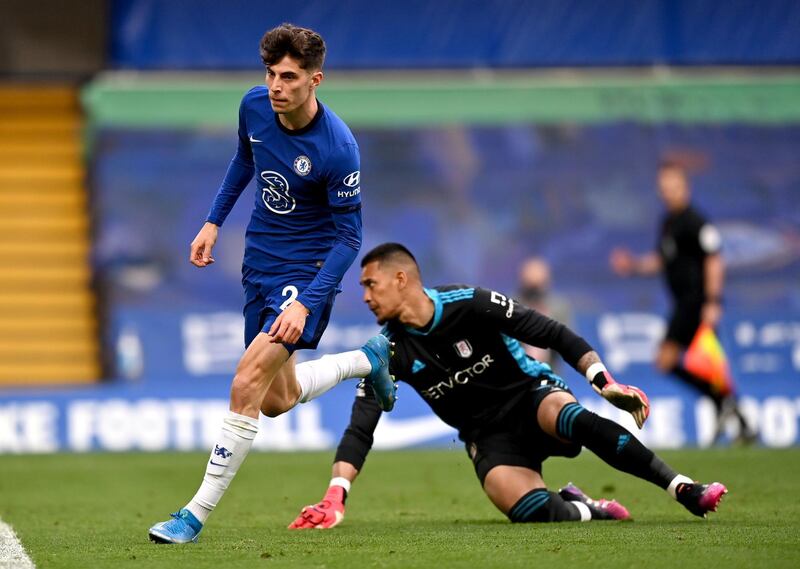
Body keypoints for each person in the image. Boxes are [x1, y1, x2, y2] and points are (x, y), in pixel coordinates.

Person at [148, 23, 396, 544]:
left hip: (303, 276)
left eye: (288, 76)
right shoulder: (254, 107)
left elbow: (350, 239)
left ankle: (192, 515)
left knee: (244, 383)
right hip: (258, 266)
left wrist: (307, 302)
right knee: (275, 400)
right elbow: (245, 159)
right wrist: (214, 220)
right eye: (270, 74)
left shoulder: (338, 148)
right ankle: (365, 360)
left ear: (315, 80)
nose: (276, 86)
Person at [288, 243, 727, 529]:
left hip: (530, 397)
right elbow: (360, 427)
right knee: (525, 510)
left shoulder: (470, 303)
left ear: (401, 279)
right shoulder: (386, 350)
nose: (364, 296)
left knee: (566, 415)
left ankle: (684, 488)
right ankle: (584, 507)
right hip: (487, 438)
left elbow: (552, 333)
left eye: (370, 284)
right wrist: (335, 495)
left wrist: (602, 380)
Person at [609, 160, 755, 444]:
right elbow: (662, 260)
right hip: (683, 304)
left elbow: (714, 259)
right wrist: (635, 265)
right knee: (710, 367)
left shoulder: (694, 221)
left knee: (667, 361)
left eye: (673, 186)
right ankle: (738, 420)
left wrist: (713, 301)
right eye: (663, 188)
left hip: (695, 303)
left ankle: (723, 406)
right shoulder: (669, 223)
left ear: (684, 187)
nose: (667, 192)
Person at [517, 257, 572, 369]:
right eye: (531, 281)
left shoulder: (559, 306)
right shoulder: (511, 304)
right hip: (516, 373)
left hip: (550, 373)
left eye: (539, 281)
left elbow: (568, 342)